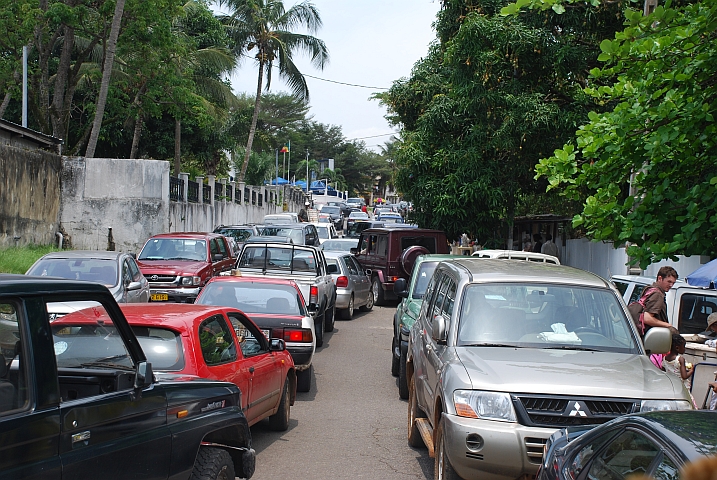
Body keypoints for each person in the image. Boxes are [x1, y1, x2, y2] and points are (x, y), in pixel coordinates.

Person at [641, 266, 678, 332]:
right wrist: (668, 326)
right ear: (660, 278)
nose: (671, 285)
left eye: (673, 283)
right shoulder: (657, 294)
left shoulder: (649, 289)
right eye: (669, 281)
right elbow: (646, 318)